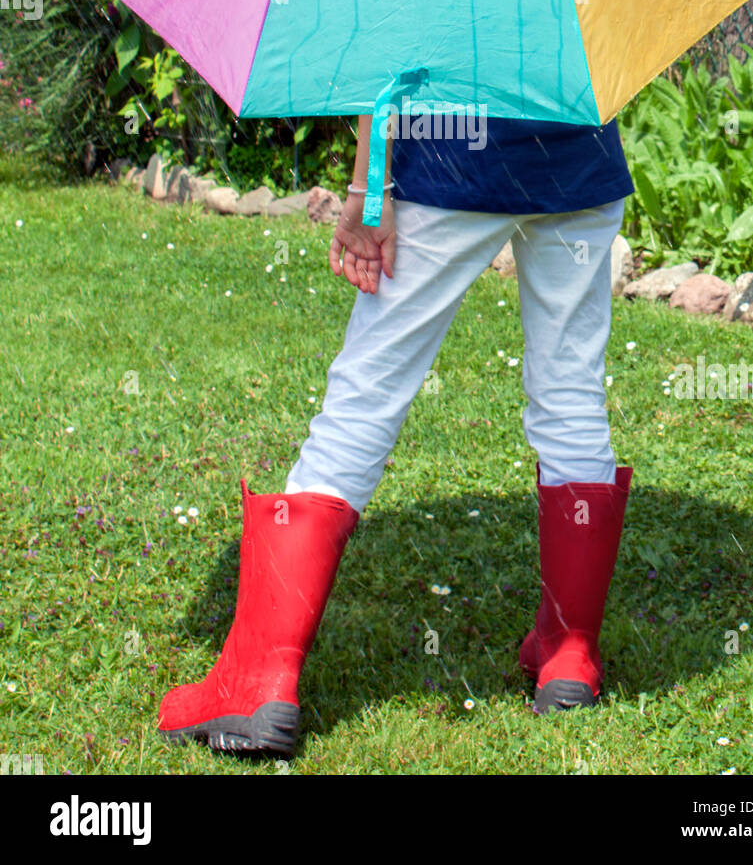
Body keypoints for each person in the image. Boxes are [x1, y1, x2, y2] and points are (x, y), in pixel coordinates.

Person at [158, 111, 635, 755]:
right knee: (572, 395)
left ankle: (261, 679)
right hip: (580, 153)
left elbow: (390, 54)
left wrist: (366, 192)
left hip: (449, 160)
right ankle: (569, 655)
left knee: (364, 398)